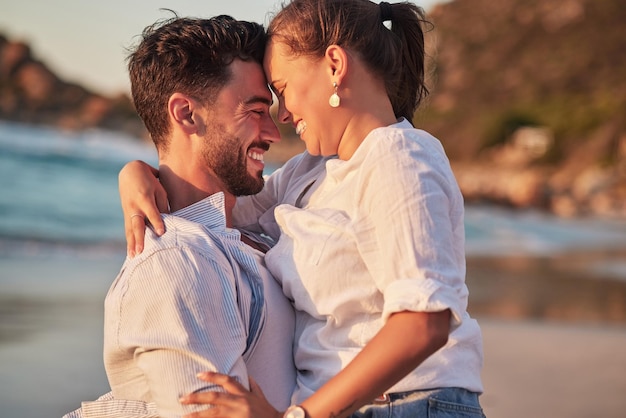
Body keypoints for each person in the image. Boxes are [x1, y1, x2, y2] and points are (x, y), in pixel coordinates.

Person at [121, 1, 485, 417]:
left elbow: (424, 322)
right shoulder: (309, 173)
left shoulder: (398, 158)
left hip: (409, 403)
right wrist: (139, 174)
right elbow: (212, 209)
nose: (284, 115)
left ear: (334, 65)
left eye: (283, 89)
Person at [63, 15, 297, 418]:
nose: (274, 133)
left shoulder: (258, 224)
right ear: (187, 114)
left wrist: (135, 170)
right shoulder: (177, 262)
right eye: (256, 110)